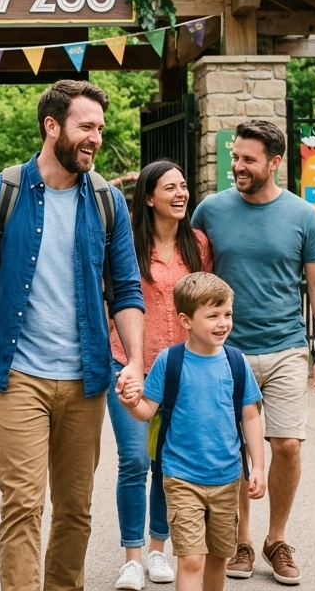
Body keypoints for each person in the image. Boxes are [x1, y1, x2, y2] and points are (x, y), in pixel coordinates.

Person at [0, 80, 146, 591]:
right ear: (52, 126)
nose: (96, 137)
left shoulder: (107, 201)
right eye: (86, 126)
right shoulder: (0, 193)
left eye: (100, 127)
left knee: (76, 509)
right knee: (23, 505)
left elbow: (125, 289)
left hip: (87, 378)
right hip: (18, 375)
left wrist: (137, 360)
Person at [190, 119, 315, 585]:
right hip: (227, 351)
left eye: (249, 159)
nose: (238, 166)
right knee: (234, 449)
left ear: (275, 162)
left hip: (287, 345)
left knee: (286, 445)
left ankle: (277, 537)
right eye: (235, 157)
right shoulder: (210, 210)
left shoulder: (304, 216)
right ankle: (242, 538)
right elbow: (192, 274)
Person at [120, 272, 266, 591]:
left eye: (227, 314)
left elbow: (251, 417)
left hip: (227, 479)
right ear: (186, 320)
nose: (222, 323)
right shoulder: (170, 361)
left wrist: (258, 466)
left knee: (218, 557)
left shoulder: (235, 362)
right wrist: (131, 402)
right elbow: (147, 410)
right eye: (212, 315)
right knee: (191, 559)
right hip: (181, 477)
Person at [107, 160, 213, 590]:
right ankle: (131, 557)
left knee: (165, 463)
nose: (180, 194)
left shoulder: (199, 245)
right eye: (170, 187)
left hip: (179, 369)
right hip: (129, 361)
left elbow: (209, 300)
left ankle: (157, 549)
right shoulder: (128, 244)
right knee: (134, 460)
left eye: (184, 186)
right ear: (149, 197)